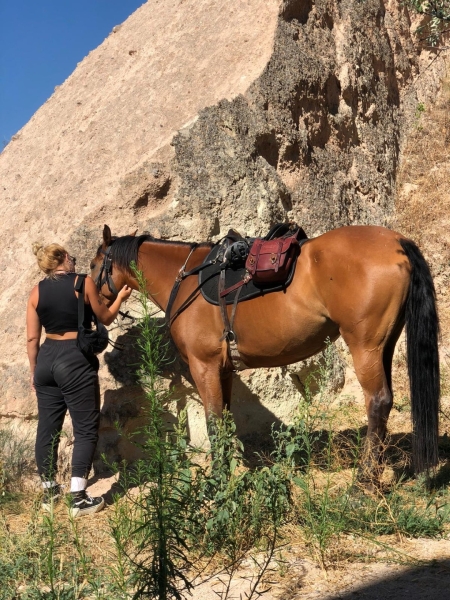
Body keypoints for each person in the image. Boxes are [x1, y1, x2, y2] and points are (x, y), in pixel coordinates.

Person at [26, 242, 132, 517]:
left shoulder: (36, 291)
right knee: (85, 428)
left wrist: (34, 371)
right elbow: (105, 316)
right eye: (71, 257)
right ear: (62, 259)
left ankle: (50, 494)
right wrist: (120, 296)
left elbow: (31, 338)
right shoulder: (81, 283)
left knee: (48, 429)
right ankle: (78, 498)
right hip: (74, 359)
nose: (75, 261)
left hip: (46, 359)